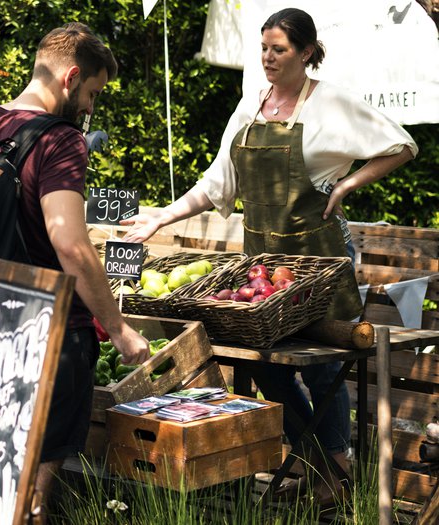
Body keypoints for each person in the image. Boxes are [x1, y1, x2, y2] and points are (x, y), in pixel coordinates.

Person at [121, 7, 417, 504]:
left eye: (279, 50)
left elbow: (401, 144)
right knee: (266, 366)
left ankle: (334, 472)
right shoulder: (249, 107)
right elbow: (217, 182)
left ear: (305, 52)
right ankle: (320, 463)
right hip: (265, 269)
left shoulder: (332, 104)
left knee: (325, 368)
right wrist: (161, 217)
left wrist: (347, 183)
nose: (267, 58)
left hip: (319, 259)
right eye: (263, 48)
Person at [0, 22, 151, 503]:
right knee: (28, 498)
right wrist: (119, 328)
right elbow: (69, 243)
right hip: (44, 337)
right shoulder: (60, 140)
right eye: (92, 93)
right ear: (70, 78)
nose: (91, 108)